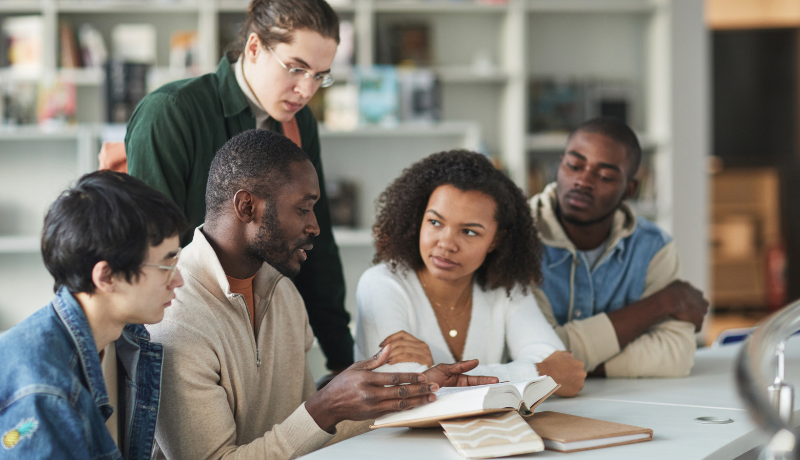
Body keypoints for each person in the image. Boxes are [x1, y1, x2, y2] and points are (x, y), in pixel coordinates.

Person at [148, 130, 498, 460]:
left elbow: (302, 434)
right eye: (303, 208)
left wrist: (416, 392)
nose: (315, 226)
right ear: (247, 207)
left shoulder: (282, 291)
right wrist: (325, 406)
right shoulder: (174, 318)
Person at [125, 0, 353, 374]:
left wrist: (344, 362)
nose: (306, 88)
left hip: (264, 324)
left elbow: (317, 245)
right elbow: (152, 255)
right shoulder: (171, 111)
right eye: (296, 68)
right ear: (253, 47)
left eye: (320, 75)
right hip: (181, 331)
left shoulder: (300, 124)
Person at [354, 150, 587, 397]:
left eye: (469, 232)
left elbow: (565, 374)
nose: (446, 243)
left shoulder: (505, 288)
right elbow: (406, 392)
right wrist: (535, 372)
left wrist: (436, 372)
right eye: (435, 222)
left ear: (496, 240)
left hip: (489, 435)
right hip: (391, 437)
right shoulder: (381, 284)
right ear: (417, 218)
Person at [0, 171, 186, 459]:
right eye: (166, 267)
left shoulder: (126, 338)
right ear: (107, 276)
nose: (179, 281)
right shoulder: (44, 392)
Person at [530, 117, 709, 378]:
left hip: (627, 404)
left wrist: (572, 367)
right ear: (560, 164)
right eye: (574, 165)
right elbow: (537, 354)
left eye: (605, 176)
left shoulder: (653, 247)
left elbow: (676, 353)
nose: (583, 181)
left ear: (630, 189)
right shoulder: (517, 236)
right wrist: (663, 302)